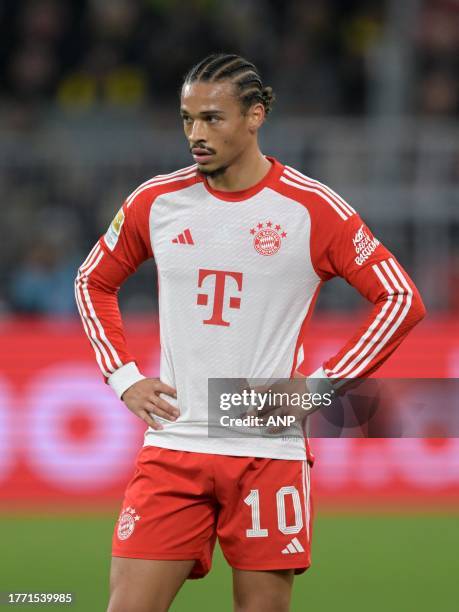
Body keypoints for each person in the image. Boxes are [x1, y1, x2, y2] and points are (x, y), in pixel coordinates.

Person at [74, 53, 426, 612]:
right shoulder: (156, 201)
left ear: (255, 115)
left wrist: (321, 386)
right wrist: (122, 377)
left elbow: (401, 298)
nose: (196, 134)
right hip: (176, 441)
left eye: (213, 118)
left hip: (265, 444)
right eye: (187, 119)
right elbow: (93, 280)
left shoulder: (310, 208)